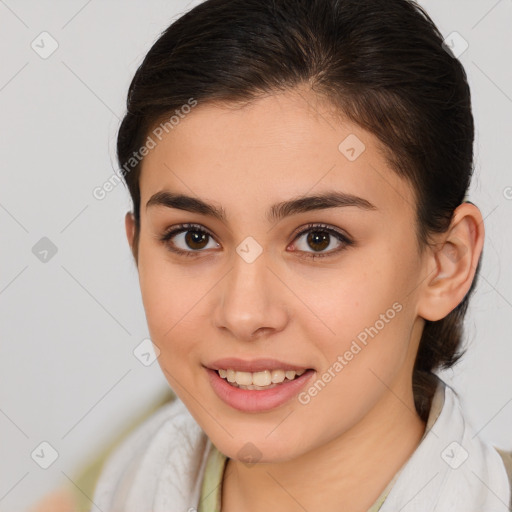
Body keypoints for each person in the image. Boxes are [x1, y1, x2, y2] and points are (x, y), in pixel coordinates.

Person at [36, 0, 512, 510]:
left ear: (446, 263)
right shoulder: (112, 477)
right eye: (193, 237)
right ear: (136, 248)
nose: (243, 315)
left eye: (318, 239)